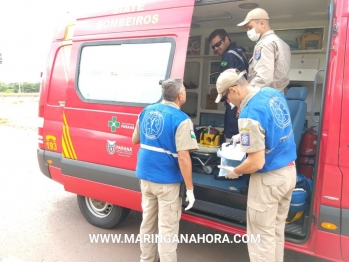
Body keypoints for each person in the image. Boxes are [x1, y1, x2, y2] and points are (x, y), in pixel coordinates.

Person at [215, 69, 297, 262]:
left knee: (261, 239)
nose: (228, 102)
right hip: (288, 173)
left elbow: (255, 162)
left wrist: (234, 171)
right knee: (275, 232)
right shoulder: (272, 93)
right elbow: (273, 127)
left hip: (268, 182)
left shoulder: (248, 113)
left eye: (226, 97)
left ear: (234, 90)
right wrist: (243, 137)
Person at [132, 78, 198, 262]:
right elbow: (184, 157)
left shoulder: (146, 111)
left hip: (145, 178)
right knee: (167, 230)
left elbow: (134, 139)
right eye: (184, 89)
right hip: (166, 182)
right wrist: (190, 189)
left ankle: (147, 259)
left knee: (148, 224)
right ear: (180, 96)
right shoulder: (182, 120)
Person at [237, 8, 291, 93]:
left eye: (250, 27)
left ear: (262, 23)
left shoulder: (264, 44)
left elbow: (263, 78)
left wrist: (245, 93)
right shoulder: (283, 44)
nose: (248, 31)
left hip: (263, 97)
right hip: (278, 96)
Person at [209, 29, 249, 142]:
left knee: (231, 137)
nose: (216, 48)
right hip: (242, 100)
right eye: (213, 47)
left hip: (234, 102)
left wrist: (224, 96)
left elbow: (226, 80)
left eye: (218, 44)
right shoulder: (239, 52)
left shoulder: (229, 56)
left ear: (226, 39)